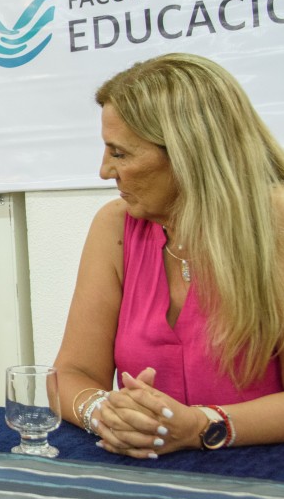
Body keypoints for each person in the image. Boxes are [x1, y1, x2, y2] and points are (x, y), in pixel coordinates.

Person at [54, 53, 284, 458]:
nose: (105, 171)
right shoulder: (116, 227)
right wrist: (104, 414)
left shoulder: (277, 225)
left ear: (188, 155)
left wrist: (203, 426)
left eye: (120, 153)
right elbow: (71, 375)